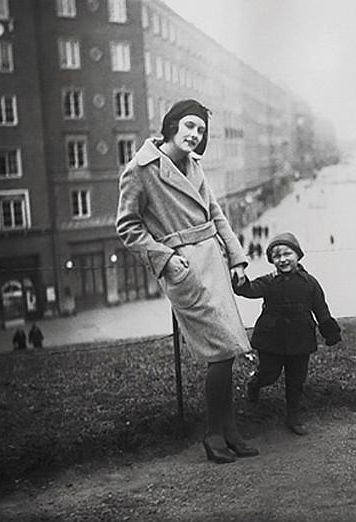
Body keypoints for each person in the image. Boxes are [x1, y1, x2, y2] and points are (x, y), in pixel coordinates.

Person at [116, 99, 258, 464]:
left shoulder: (194, 165)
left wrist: (237, 257)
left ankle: (229, 431)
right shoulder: (141, 169)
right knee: (221, 350)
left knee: (227, 352)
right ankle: (214, 435)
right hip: (184, 268)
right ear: (172, 125)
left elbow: (215, 213)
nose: (195, 134)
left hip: (214, 262)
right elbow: (128, 227)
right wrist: (166, 259)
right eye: (190, 126)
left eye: (201, 130)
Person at [233, 232, 342, 435]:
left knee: (296, 380)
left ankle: (293, 417)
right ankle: (255, 384)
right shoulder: (269, 281)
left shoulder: (310, 283)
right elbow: (250, 290)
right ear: (271, 261)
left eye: (287, 254)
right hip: (271, 339)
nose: (282, 259)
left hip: (300, 338)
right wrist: (240, 281)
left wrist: (330, 331)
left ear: (298, 255)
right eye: (277, 256)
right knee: (269, 373)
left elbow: (321, 309)